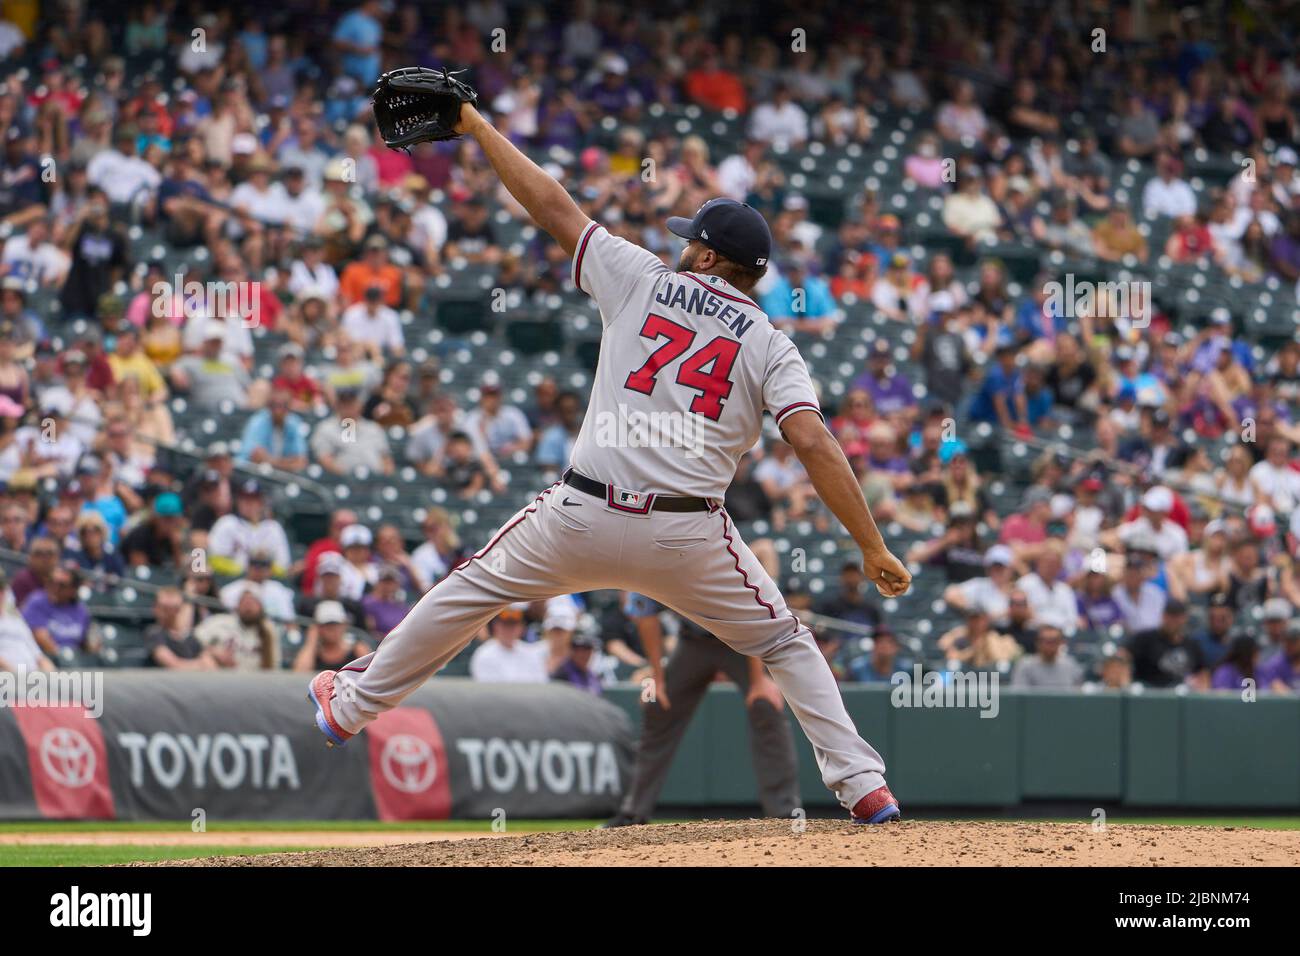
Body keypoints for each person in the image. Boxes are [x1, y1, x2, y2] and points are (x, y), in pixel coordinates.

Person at [308, 98, 911, 825]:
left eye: (696, 241)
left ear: (711, 256)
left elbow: (553, 205)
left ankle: (349, 705)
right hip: (689, 536)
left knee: (470, 591)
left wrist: (476, 126)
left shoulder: (642, 276)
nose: (686, 245)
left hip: (584, 511)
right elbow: (813, 441)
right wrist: (872, 544)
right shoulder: (771, 343)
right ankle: (862, 785)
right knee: (786, 641)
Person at [605, 593, 798, 827]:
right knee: (656, 703)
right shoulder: (652, 564)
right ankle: (633, 812)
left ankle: (785, 814)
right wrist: (657, 677)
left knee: (765, 704)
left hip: (739, 640)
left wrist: (759, 681)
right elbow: (646, 616)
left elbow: (752, 612)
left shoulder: (724, 558)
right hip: (692, 641)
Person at [1127, 600, 1208, 689]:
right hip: (1148, 692)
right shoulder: (1145, 639)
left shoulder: (1192, 645)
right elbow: (1124, 656)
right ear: (1163, 616)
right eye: (1169, 616)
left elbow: (1202, 673)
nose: (1172, 621)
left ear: (1184, 618)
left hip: (1180, 696)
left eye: (1176, 616)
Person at [468, 607, 548, 683]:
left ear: (521, 627)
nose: (509, 629)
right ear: (496, 625)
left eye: (513, 624)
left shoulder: (531, 652)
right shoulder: (484, 654)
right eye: (505, 624)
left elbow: (541, 684)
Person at [1010, 624, 1083, 688]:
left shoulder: (1071, 665)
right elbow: (1019, 698)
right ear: (1037, 643)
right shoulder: (1025, 666)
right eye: (1046, 641)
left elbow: (1077, 696)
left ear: (1061, 643)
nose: (1050, 645)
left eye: (1054, 641)